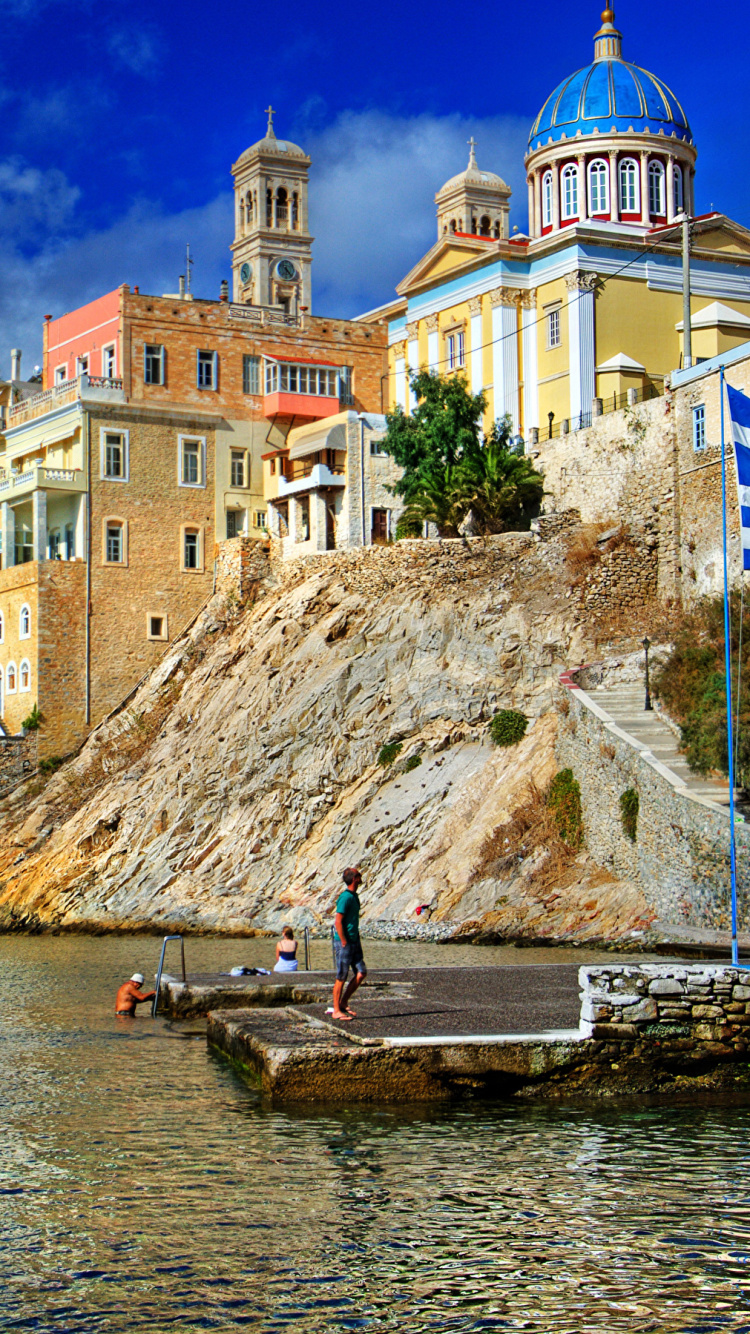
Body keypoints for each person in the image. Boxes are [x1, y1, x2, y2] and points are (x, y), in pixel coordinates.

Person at [331, 867, 367, 1021]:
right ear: (354, 879)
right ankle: (336, 1010)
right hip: (344, 942)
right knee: (342, 976)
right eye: (359, 875)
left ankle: (344, 1001)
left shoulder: (355, 896)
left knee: (361, 972)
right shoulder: (345, 897)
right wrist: (344, 941)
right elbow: (338, 921)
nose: (361, 876)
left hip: (354, 940)